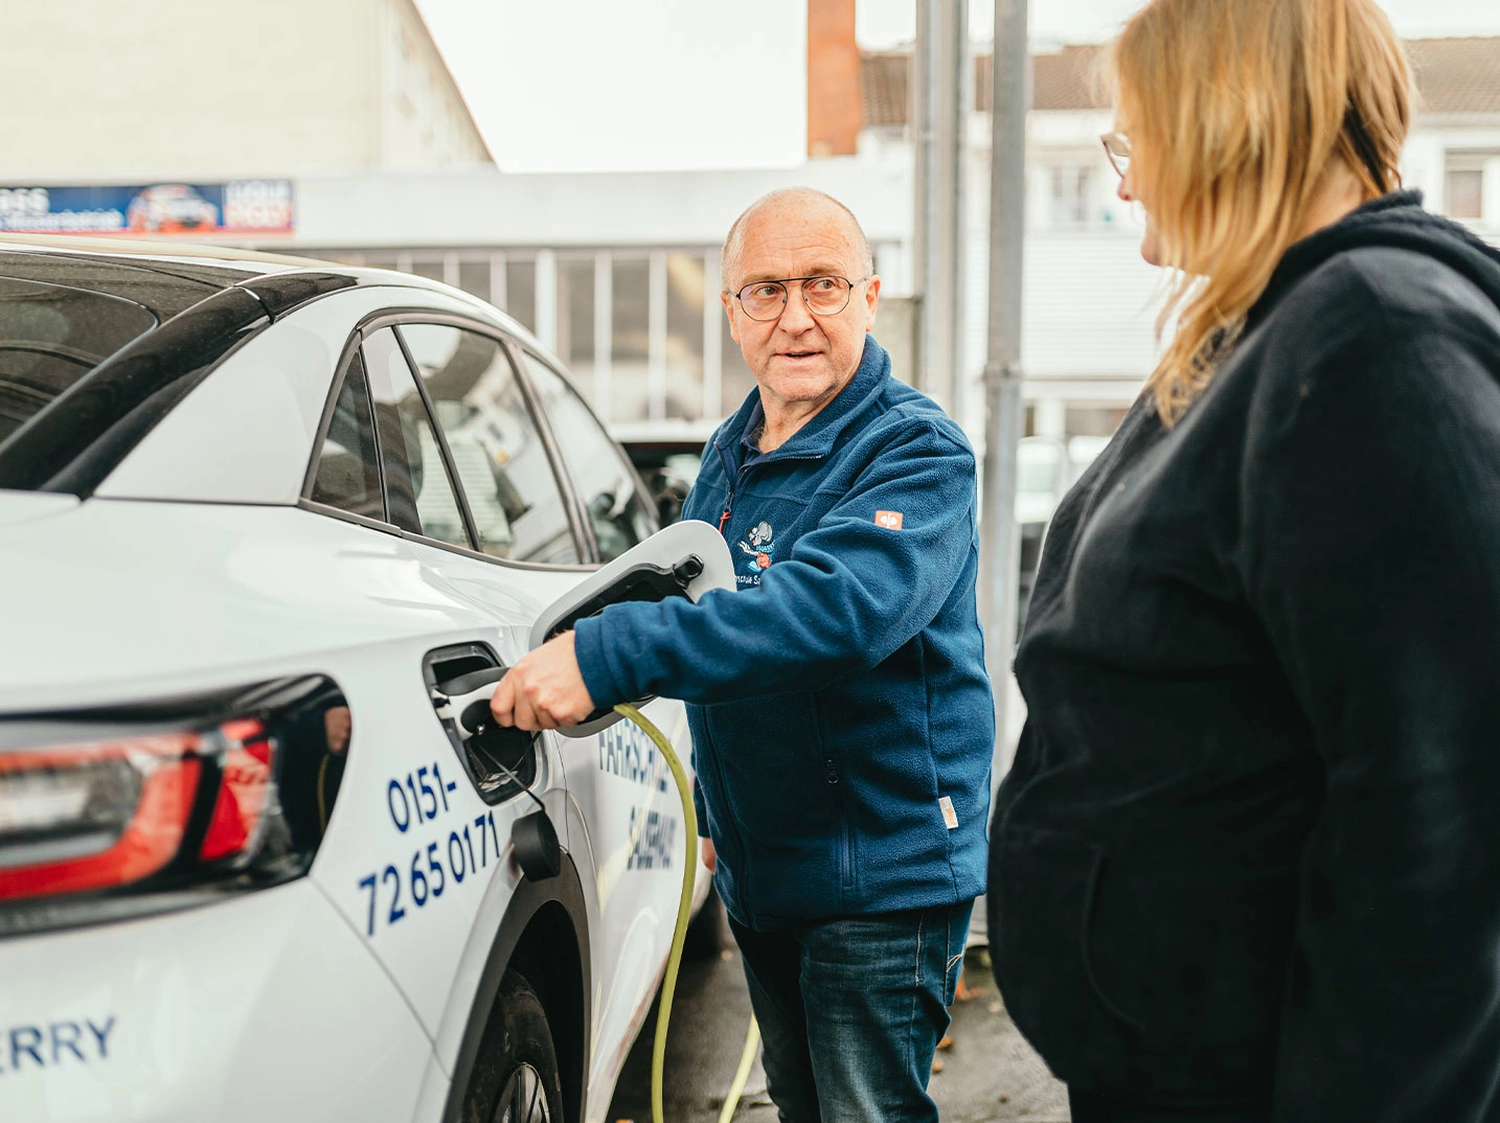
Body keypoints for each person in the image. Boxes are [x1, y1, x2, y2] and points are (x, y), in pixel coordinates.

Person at [987, 2, 1500, 1121]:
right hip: (1177, 1064)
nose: (1123, 183)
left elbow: (1439, 831)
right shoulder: (1273, 331)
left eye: (1132, 140)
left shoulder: (1376, 343)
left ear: (1226, 119)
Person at [491, 186, 995, 1121]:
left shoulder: (917, 453)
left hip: (881, 879)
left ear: (871, 298)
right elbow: (714, 610)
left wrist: (608, 655)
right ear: (731, 311)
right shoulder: (732, 449)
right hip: (768, 870)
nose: (796, 318)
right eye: (765, 290)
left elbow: (829, 615)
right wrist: (717, 809)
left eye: (824, 286)